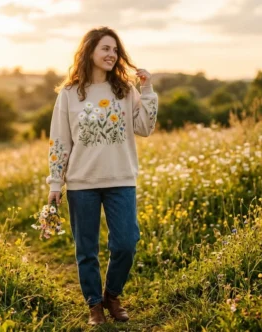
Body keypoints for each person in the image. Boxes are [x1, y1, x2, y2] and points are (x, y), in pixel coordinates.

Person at [46, 26, 158, 326]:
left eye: (115, 49)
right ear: (90, 52)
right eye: (105, 49)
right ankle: (94, 304)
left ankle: (112, 294)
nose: (112, 54)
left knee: (126, 243)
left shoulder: (124, 90)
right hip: (81, 182)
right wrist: (56, 182)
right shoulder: (70, 94)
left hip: (121, 179)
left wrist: (147, 91)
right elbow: (60, 140)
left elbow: (145, 128)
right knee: (87, 249)